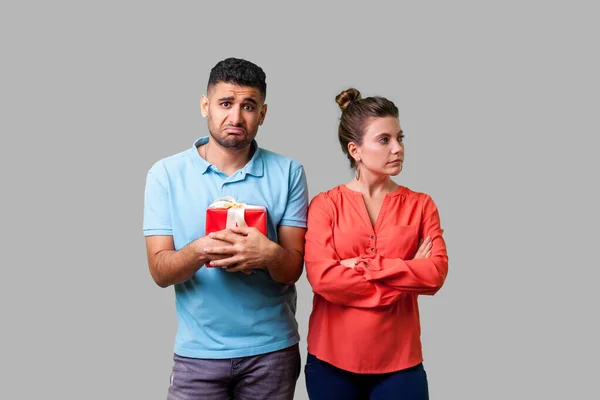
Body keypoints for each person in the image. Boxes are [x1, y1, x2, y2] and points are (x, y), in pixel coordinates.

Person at [143, 57, 308, 400]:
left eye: (248, 106)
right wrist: (202, 248)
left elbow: (292, 268)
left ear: (262, 113)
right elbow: (160, 271)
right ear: (205, 106)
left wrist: (268, 253)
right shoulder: (165, 174)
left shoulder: (289, 172)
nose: (236, 117)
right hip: (197, 355)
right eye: (225, 103)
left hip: (271, 351)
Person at [303, 88, 448, 399]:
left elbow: (435, 274)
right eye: (384, 140)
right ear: (355, 150)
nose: (397, 148)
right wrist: (407, 273)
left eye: (400, 138)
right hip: (330, 362)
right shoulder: (325, 205)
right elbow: (323, 279)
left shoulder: (422, 205)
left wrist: (362, 265)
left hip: (401, 362)